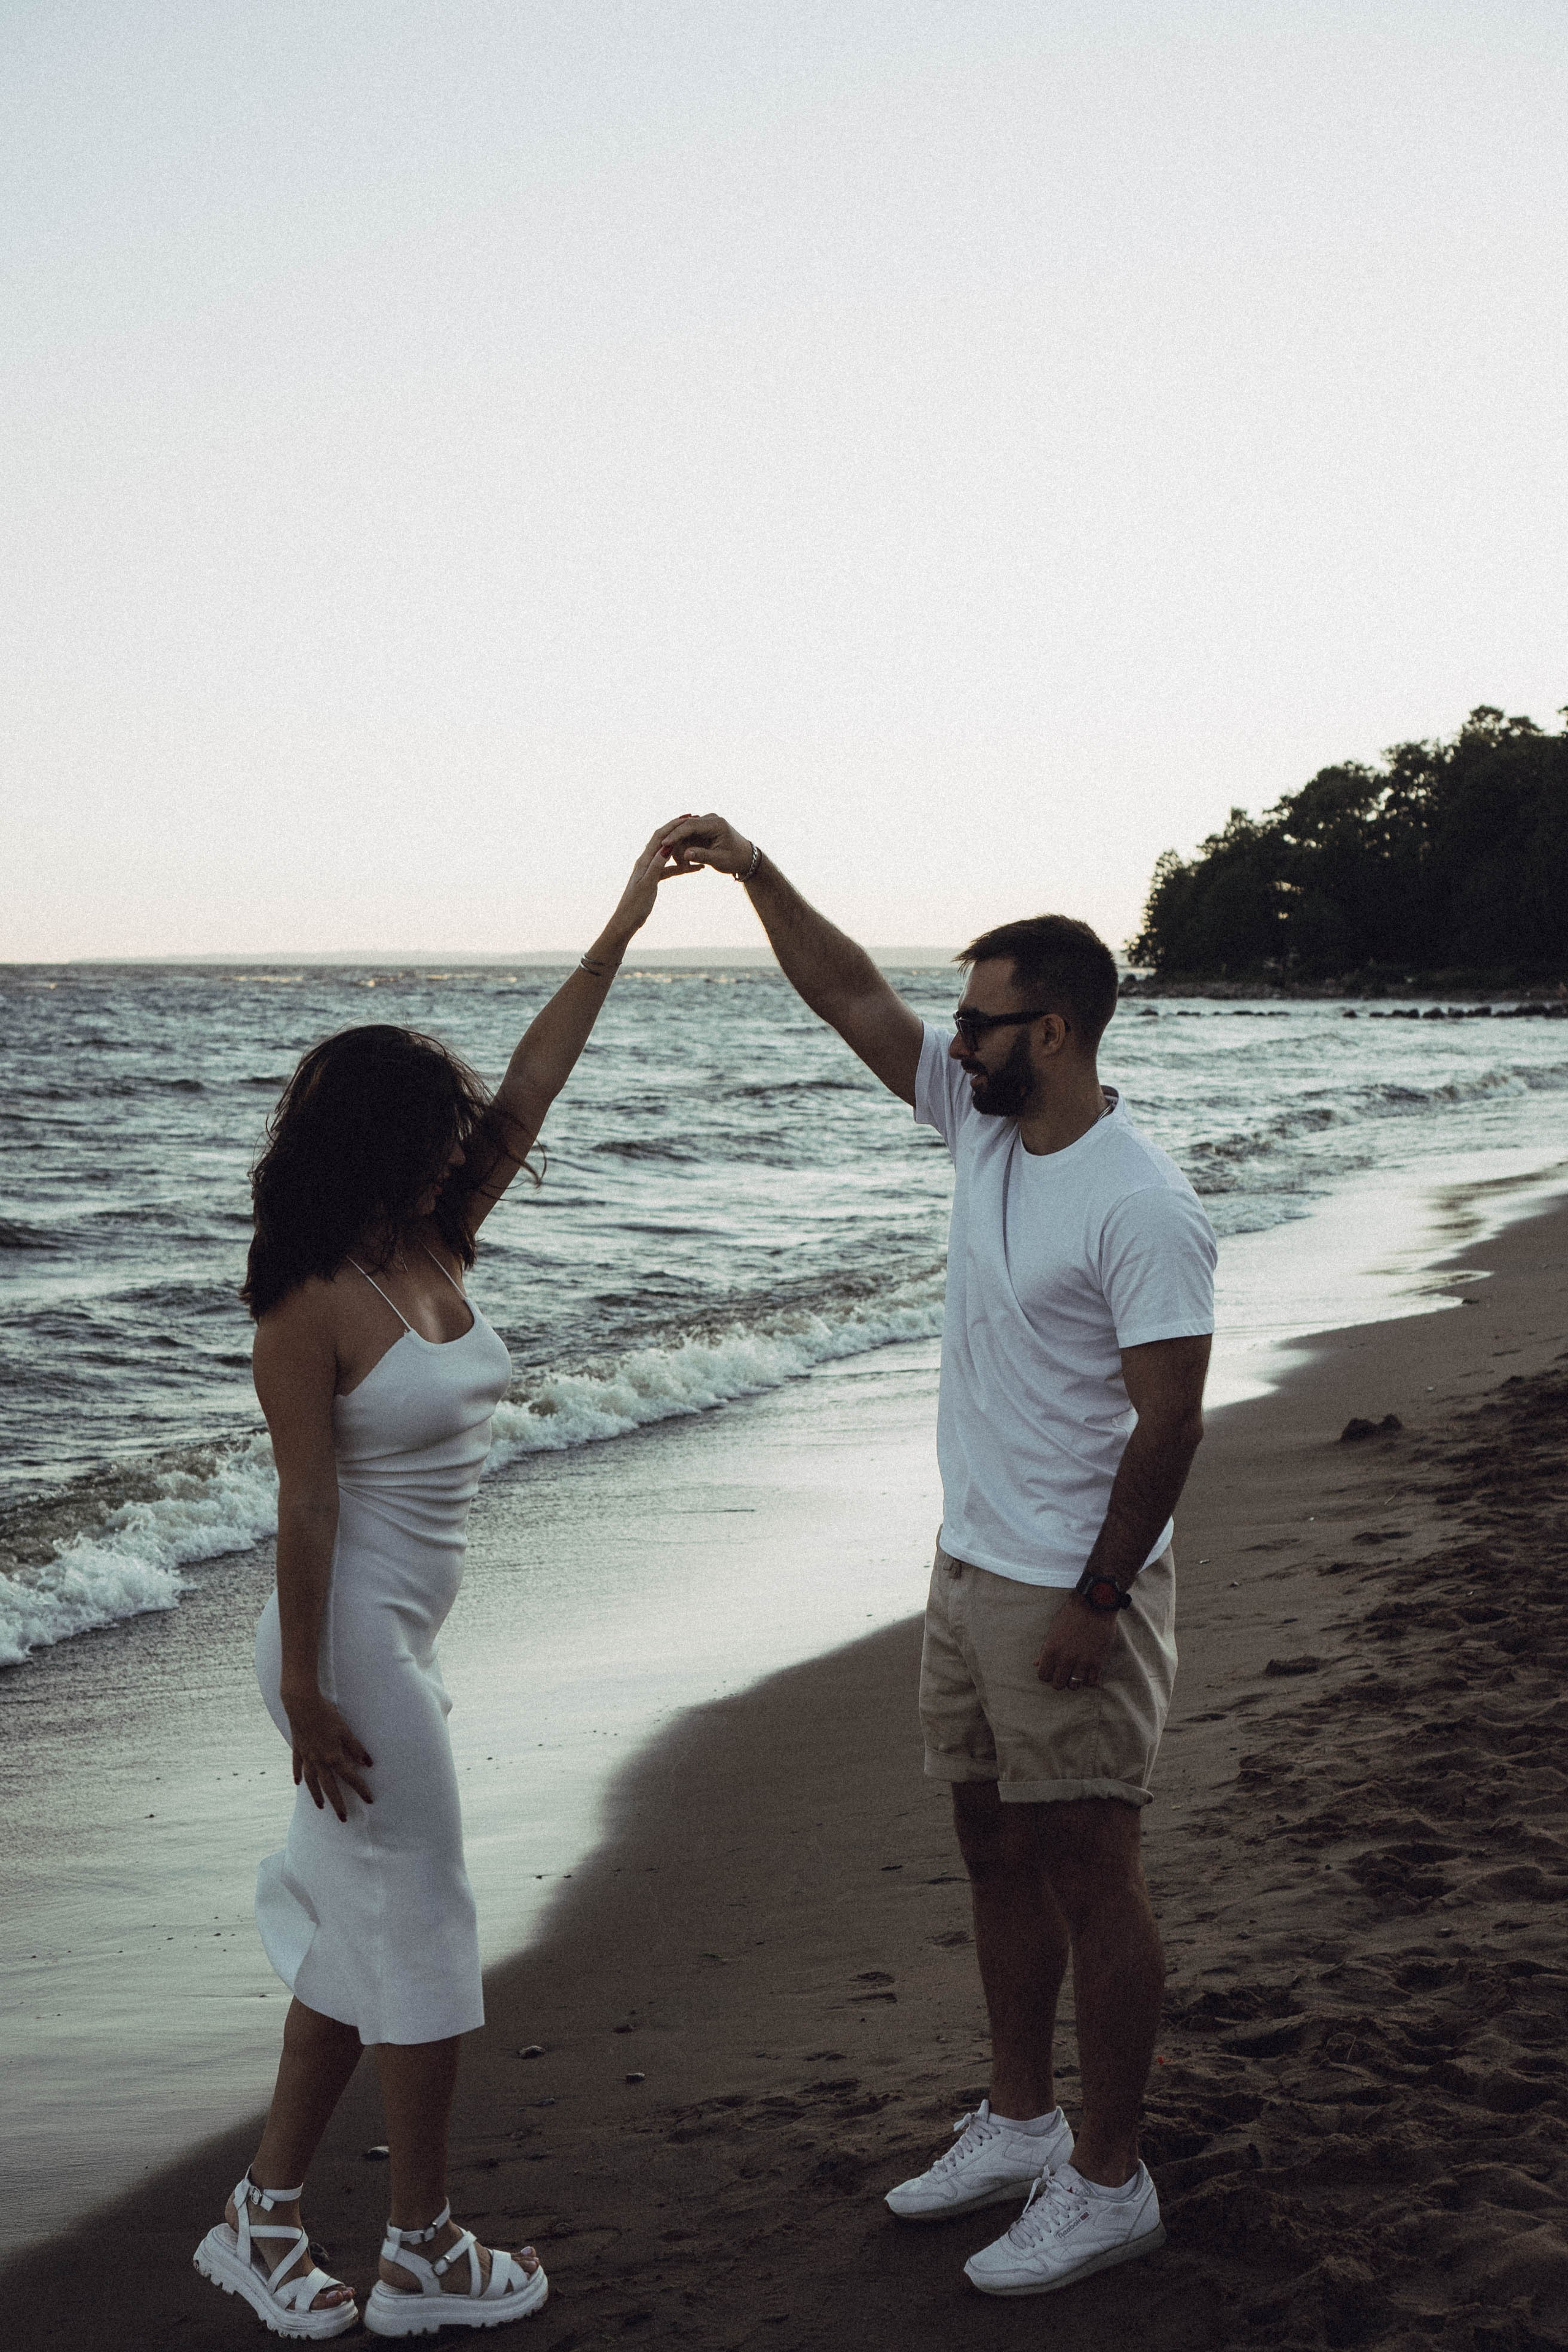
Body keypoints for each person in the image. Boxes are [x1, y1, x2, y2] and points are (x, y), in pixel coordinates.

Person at [657, 816, 1216, 2299]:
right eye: (957, 1017)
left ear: (1053, 1028)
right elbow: (847, 996)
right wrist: (756, 871)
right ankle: (1022, 2123)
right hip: (966, 1564)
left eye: (977, 1018)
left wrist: (1098, 1599)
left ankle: (1110, 2178)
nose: (950, 1037)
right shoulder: (978, 1120)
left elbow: (1170, 1425)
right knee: (987, 1844)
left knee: (1092, 1865)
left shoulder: (1141, 1202)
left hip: (1069, 1584)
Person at [194, 827, 696, 2339]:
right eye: (425, 1131)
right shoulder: (304, 1300)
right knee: (427, 1925)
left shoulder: (431, 1237)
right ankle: (419, 2250)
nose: (454, 1145)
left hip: (393, 1632)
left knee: (366, 1935)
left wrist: (621, 919)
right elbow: (301, 1497)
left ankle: (263, 2219)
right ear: (366, 1143)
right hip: (343, 1651)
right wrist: (301, 1686)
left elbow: (537, 1083)